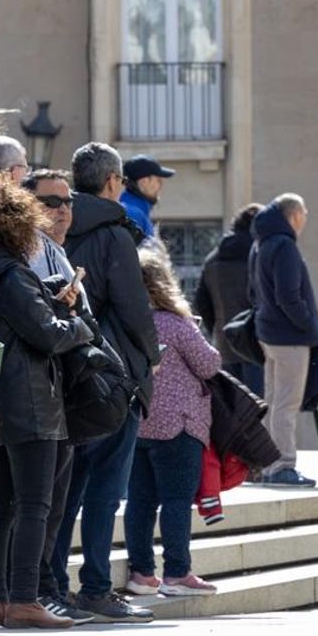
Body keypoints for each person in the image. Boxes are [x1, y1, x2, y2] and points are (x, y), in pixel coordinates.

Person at [0, 176, 96, 630]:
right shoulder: (12, 272)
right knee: (35, 504)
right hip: (32, 399)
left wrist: (49, 304)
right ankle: (23, 599)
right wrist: (79, 324)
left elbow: (18, 323)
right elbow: (47, 335)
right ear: (17, 225)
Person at [55, 142, 159, 623]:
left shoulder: (54, 225)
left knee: (66, 487)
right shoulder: (115, 233)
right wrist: (152, 356)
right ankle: (96, 586)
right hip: (113, 376)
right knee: (104, 489)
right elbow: (134, 307)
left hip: (67, 370)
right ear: (114, 182)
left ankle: (53, 582)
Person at [15, 169, 96, 626]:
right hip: (39, 390)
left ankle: (46, 588)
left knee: (55, 501)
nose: (63, 210)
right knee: (37, 502)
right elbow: (44, 323)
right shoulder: (28, 251)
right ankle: (35, 592)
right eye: (51, 202)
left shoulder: (56, 251)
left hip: (62, 389)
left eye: (67, 202)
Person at [125, 249, 220, 598]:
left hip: (138, 424)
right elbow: (209, 364)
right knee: (176, 500)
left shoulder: (124, 322)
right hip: (179, 425)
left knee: (140, 501)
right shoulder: (175, 323)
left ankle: (141, 573)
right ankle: (177, 573)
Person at [248, 193, 318, 488]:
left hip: (268, 333)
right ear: (294, 216)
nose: (304, 221)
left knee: (273, 401)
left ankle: (268, 464)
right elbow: (289, 296)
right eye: (304, 215)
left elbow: (252, 292)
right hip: (289, 336)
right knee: (286, 403)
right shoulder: (285, 246)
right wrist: (309, 325)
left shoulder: (261, 243)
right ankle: (282, 465)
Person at [193, 203, 263, 396]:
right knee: (263, 407)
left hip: (226, 346)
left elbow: (201, 303)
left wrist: (217, 329)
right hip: (257, 346)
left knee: (236, 409)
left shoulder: (213, 258)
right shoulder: (259, 254)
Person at [119, 156, 174, 242]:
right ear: (144, 182)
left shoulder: (133, 212)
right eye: (158, 180)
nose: (161, 186)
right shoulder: (133, 215)